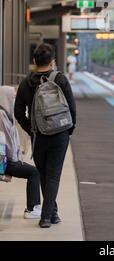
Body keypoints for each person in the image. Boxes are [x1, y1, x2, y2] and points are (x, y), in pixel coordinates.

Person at [15, 43, 76, 228]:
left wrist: (32, 129)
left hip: (38, 136)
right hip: (60, 134)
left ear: (34, 61)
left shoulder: (26, 83)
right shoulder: (60, 79)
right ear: (53, 62)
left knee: (44, 174)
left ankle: (53, 213)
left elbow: (18, 112)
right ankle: (47, 217)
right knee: (53, 175)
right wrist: (68, 130)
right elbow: (72, 109)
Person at [0, 86, 41, 219]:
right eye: (12, 97)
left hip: (8, 159)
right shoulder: (1, 116)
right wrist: (13, 163)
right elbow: (6, 141)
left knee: (34, 172)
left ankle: (33, 207)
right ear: (5, 97)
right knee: (34, 172)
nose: (15, 100)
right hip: (7, 161)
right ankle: (32, 208)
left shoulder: (6, 114)